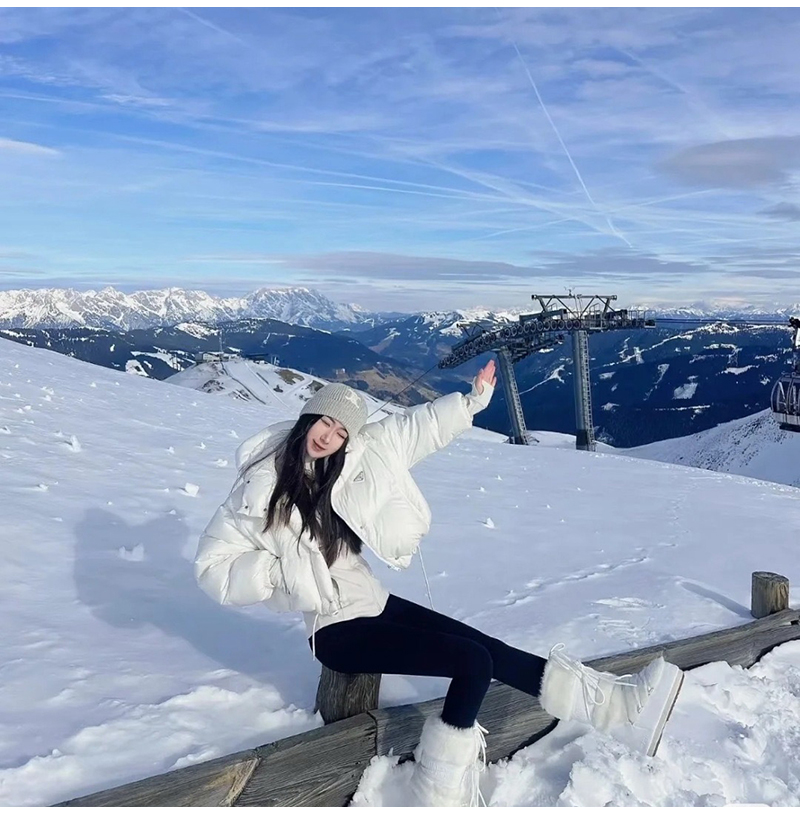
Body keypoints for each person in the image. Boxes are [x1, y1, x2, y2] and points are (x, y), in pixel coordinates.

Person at [194, 361, 684, 807]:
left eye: (342, 431)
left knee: (487, 648)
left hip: (374, 603)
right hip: (335, 630)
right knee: (472, 662)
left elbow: (414, 429)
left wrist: (471, 401)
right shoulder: (260, 488)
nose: (330, 436)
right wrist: (281, 575)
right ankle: (438, 793)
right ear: (308, 418)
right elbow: (213, 569)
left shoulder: (350, 462)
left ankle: (614, 708)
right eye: (326, 422)